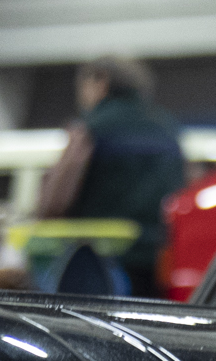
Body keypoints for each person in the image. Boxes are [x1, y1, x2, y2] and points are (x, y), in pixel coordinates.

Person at [34, 57, 186, 296]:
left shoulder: (91, 128)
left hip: (101, 265)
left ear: (101, 82)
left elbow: (55, 201)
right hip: (158, 259)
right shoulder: (168, 128)